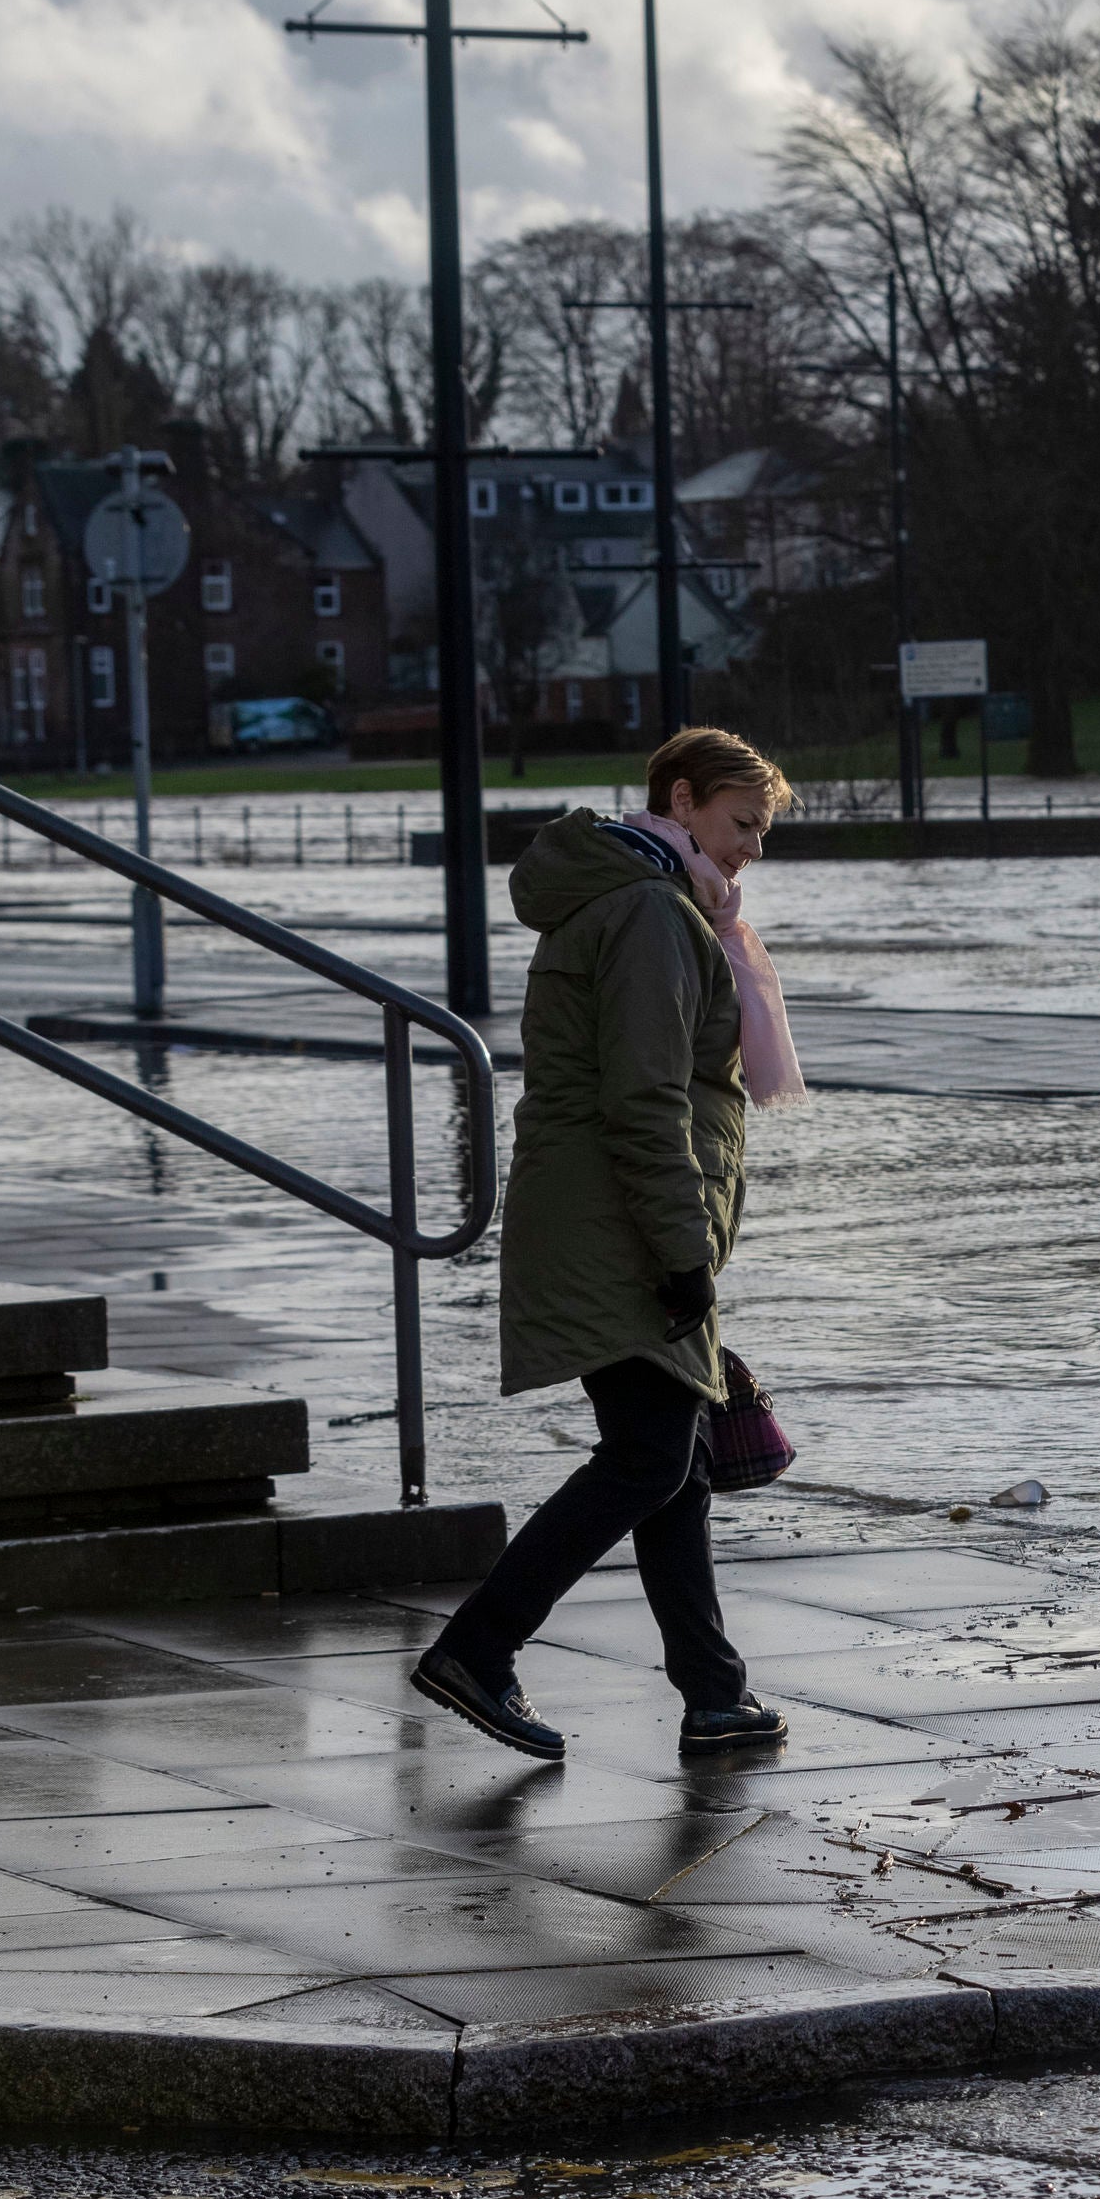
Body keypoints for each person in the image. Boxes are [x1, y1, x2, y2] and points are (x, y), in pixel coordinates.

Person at [414, 726, 808, 1762]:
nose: (748, 850)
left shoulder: (649, 900)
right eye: (739, 824)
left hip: (607, 1218)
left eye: (760, 832)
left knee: (667, 1460)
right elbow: (645, 1102)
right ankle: (478, 1645)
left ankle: (713, 1693)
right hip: (619, 1228)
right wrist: (682, 1256)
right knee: (644, 1456)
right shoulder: (646, 913)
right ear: (681, 800)